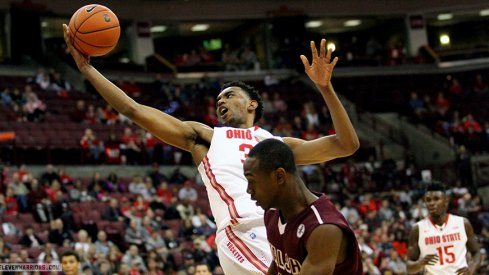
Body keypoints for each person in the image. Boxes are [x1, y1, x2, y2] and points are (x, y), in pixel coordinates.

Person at [63, 24, 359, 274]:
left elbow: (345, 145)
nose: (221, 102)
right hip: (240, 232)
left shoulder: (278, 146)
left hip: (282, 232)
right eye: (218, 99)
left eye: (229, 95)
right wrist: (87, 69)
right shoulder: (206, 137)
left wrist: (325, 88)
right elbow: (134, 109)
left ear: (252, 104)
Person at [243, 139, 362, 274]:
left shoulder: (323, 228)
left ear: (279, 176)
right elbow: (279, 265)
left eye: (252, 181)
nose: (248, 189)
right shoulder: (272, 213)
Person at [407, 181, 482, 274]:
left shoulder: (462, 223)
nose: (431, 203)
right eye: (428, 200)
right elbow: (409, 268)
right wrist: (420, 263)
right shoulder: (417, 229)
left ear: (446, 201)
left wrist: (471, 268)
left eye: (436, 199)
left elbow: (476, 252)